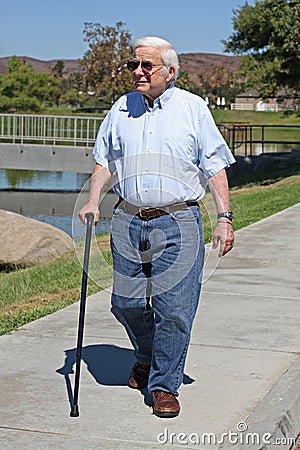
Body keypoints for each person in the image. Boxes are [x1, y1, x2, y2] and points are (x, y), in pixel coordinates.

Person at [78, 36, 235, 418]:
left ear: (171, 71)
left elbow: (214, 165)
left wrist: (225, 218)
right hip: (128, 219)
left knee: (175, 310)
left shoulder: (193, 110)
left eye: (146, 66)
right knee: (125, 303)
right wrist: (93, 199)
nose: (137, 72)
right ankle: (147, 356)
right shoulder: (121, 109)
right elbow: (105, 161)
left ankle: (164, 385)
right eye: (134, 65)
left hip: (179, 221)